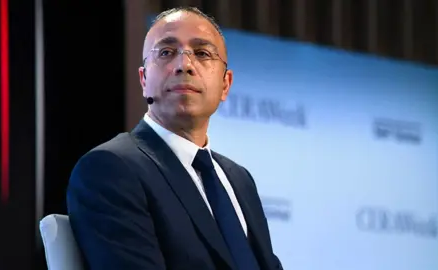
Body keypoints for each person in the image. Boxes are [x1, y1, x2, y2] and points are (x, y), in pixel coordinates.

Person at [66, 6, 283, 270]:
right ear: (144, 79)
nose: (184, 65)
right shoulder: (110, 169)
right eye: (167, 53)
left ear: (226, 85)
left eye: (202, 53)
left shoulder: (239, 179)